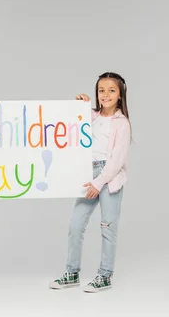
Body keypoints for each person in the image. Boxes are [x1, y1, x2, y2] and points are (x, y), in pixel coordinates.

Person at [49, 72, 131, 293]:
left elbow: (117, 159)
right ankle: (72, 272)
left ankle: (105, 275)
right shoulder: (92, 116)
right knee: (76, 224)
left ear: (120, 95)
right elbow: (71, 128)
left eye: (111, 90)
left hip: (109, 176)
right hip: (88, 173)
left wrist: (99, 182)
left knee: (108, 227)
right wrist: (78, 107)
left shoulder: (122, 123)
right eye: (101, 90)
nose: (105, 95)